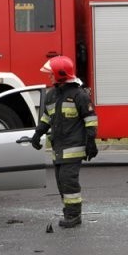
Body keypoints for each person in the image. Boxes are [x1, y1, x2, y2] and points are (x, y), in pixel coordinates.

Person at [30, 56, 98, 228]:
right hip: (59, 148)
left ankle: (74, 215)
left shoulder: (79, 95)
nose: (49, 77)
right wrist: (38, 134)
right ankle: (69, 211)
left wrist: (91, 141)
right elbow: (46, 118)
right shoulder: (52, 95)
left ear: (60, 74)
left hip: (73, 147)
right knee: (62, 182)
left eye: (51, 74)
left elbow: (90, 119)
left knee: (68, 181)